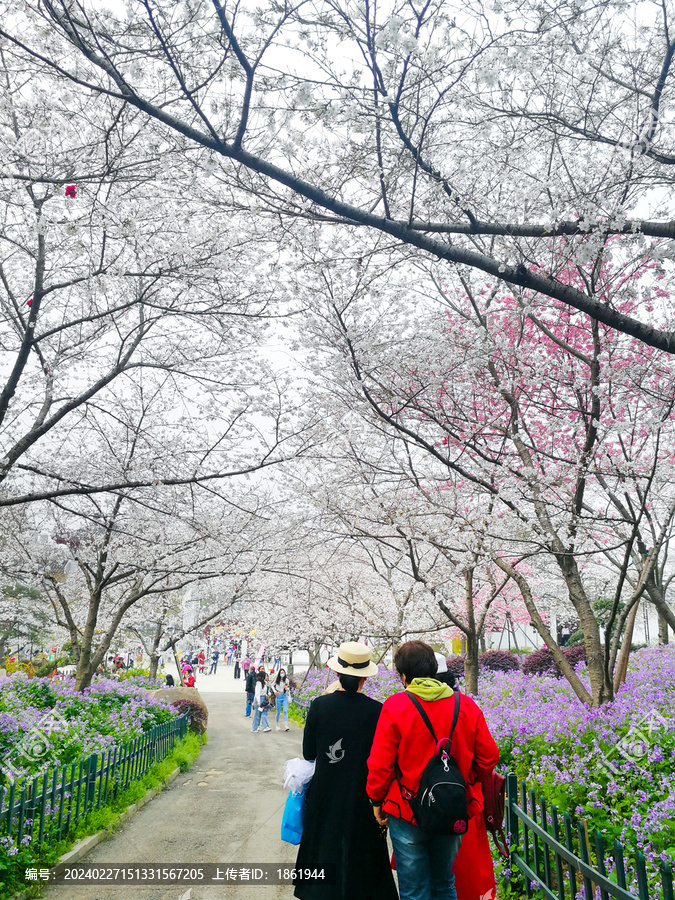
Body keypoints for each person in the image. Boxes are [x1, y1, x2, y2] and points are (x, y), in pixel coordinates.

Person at [367, 640, 499, 900]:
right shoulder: (466, 706)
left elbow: (380, 764)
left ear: (403, 676)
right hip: (451, 809)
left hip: (406, 809)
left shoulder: (395, 706)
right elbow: (489, 757)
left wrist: (376, 799)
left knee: (414, 890)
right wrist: (467, 780)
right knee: (444, 883)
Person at [294, 642, 398, 900]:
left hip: (325, 791)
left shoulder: (319, 705)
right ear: (365, 678)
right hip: (362, 794)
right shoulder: (377, 710)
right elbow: (382, 756)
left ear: (337, 674)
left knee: (324, 844)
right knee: (363, 850)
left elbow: (309, 754)